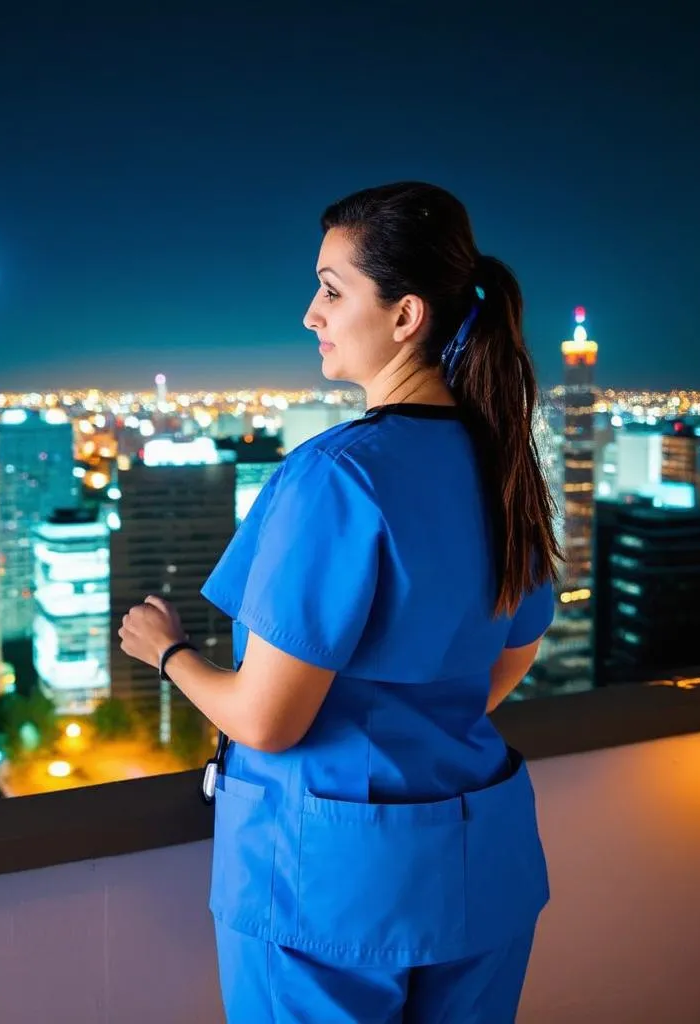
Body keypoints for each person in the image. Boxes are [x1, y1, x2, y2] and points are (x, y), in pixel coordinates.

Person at [118, 181, 561, 1024]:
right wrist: (413, 722)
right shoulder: (504, 465)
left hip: (332, 882)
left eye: (331, 288)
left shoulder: (337, 475)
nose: (310, 314)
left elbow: (266, 721)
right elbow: (513, 653)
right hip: (480, 865)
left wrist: (167, 652)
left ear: (405, 315)